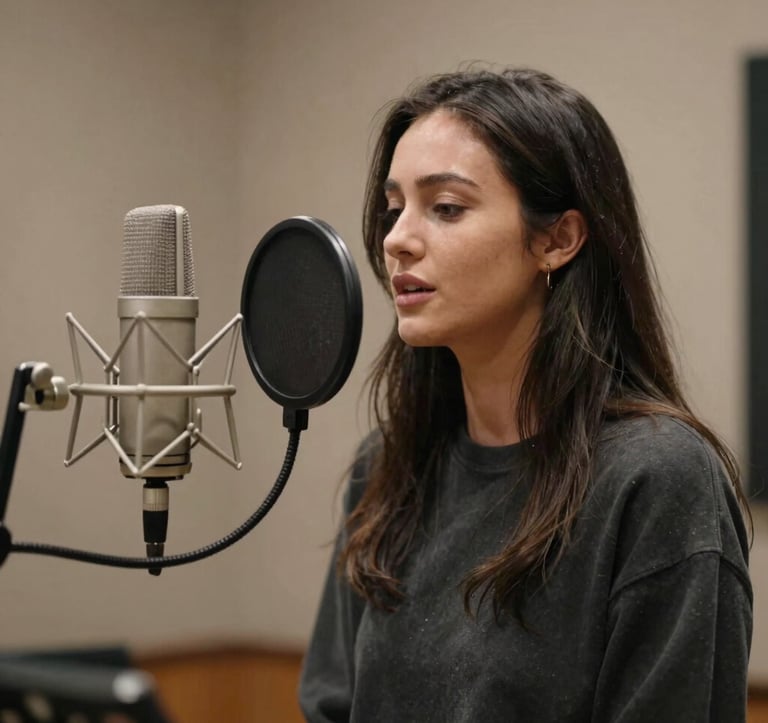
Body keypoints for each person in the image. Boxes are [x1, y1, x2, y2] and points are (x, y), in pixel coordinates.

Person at [298, 67, 753, 722]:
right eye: (393, 209)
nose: (396, 239)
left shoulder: (658, 481)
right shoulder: (386, 466)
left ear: (557, 239)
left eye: (446, 207)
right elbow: (331, 704)